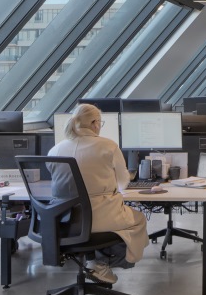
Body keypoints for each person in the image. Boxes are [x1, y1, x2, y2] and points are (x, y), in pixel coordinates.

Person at [47, 103, 148, 284]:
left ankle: (97, 262)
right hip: (100, 218)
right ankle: (103, 263)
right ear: (94, 123)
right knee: (138, 220)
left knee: (116, 223)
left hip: (64, 221)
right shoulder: (108, 146)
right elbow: (123, 183)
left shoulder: (55, 150)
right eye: (100, 122)